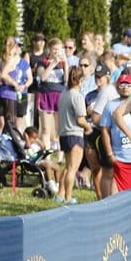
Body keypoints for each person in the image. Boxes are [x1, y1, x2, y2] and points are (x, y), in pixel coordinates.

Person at [55, 65, 90, 204]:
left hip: (64, 134)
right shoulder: (77, 96)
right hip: (75, 134)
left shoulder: (64, 93)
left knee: (67, 166)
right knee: (72, 168)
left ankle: (60, 194)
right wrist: (88, 127)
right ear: (80, 80)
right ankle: (68, 197)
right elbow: (80, 119)